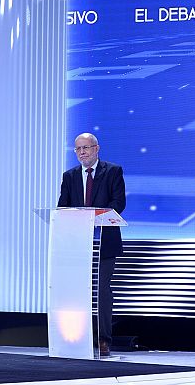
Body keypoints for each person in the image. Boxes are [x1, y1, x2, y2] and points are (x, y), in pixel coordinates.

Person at [57, 132, 126, 357]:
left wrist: (93, 217)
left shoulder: (113, 171)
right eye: (78, 149)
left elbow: (118, 203)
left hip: (104, 242)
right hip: (77, 243)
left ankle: (104, 340)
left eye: (86, 147)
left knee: (102, 291)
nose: (82, 152)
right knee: (76, 290)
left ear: (97, 148)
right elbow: (63, 207)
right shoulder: (69, 176)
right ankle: (76, 337)